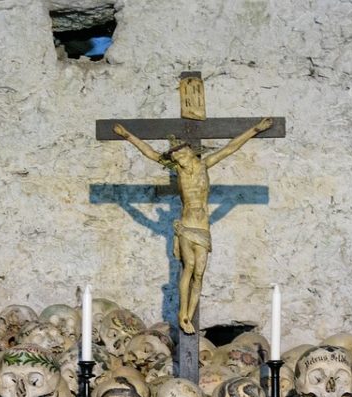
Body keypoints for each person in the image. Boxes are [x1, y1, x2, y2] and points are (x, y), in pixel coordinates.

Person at [113, 117, 273, 334]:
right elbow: (150, 153)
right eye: (175, 157)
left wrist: (255, 129)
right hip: (187, 225)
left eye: (181, 154)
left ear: (189, 151)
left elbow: (230, 147)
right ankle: (183, 315)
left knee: (199, 274)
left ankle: (190, 310)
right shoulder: (179, 171)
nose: (179, 160)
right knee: (188, 267)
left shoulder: (205, 165)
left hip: (203, 228)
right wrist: (127, 135)